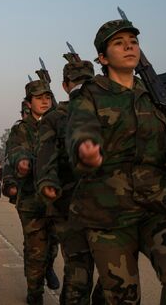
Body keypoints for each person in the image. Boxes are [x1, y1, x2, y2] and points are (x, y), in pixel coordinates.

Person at [66, 19, 166, 304]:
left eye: (133, 42)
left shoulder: (158, 98)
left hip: (159, 208)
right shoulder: (89, 95)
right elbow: (81, 129)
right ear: (102, 57)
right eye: (119, 43)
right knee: (122, 297)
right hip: (107, 214)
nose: (129, 47)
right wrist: (86, 149)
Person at [35, 56, 104, 304]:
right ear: (65, 85)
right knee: (78, 272)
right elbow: (45, 159)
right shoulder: (55, 117)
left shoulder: (107, 110)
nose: (81, 86)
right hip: (69, 206)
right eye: (76, 82)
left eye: (86, 81)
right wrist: (48, 185)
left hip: (109, 204)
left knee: (112, 276)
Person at [6, 79, 59, 304]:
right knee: (36, 248)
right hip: (31, 199)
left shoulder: (59, 123)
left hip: (57, 198)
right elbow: (16, 150)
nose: (44, 102)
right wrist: (22, 161)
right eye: (39, 98)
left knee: (53, 244)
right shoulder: (21, 129)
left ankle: (48, 267)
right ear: (29, 103)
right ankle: (35, 292)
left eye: (47, 97)